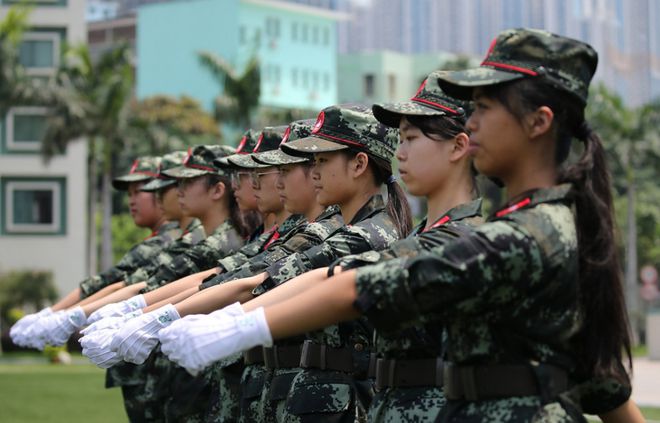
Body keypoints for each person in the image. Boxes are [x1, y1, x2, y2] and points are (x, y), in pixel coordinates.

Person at [160, 29, 644, 422]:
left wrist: (240, 328)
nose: (471, 124)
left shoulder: (529, 235)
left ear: (539, 122)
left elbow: (376, 282)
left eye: (485, 108)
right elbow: (598, 377)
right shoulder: (526, 224)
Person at [157, 103, 413, 422]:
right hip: (310, 392)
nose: (314, 172)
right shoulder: (355, 227)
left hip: (340, 398)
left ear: (359, 163)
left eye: (321, 160)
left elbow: (271, 278)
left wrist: (172, 318)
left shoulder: (369, 233)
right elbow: (246, 273)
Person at [9, 156, 181, 350]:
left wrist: (64, 315)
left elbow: (116, 284)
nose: (131, 201)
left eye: (139, 192)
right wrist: (57, 315)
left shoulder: (168, 240)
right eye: (130, 194)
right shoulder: (166, 237)